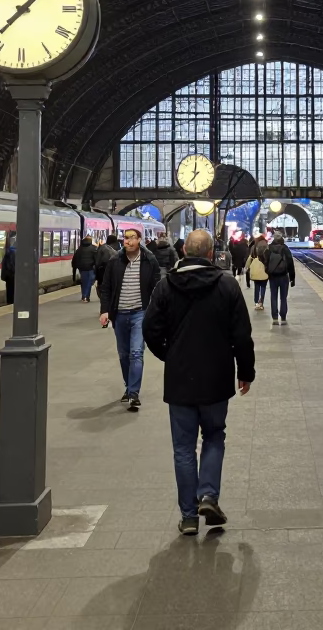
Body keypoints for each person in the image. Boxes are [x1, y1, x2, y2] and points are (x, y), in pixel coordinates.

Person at [143, 229, 255, 536]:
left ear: (183, 253)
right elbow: (242, 335)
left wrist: (170, 355)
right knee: (214, 435)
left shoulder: (166, 286)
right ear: (210, 254)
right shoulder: (227, 285)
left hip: (179, 379)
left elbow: (150, 329)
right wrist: (246, 371)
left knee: (183, 447)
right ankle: (209, 495)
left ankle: (189, 516)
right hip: (217, 376)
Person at [98, 228, 161, 411]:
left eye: (132, 238)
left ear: (139, 240)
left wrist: (156, 312)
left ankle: (133, 393)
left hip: (140, 313)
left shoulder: (149, 261)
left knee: (136, 353)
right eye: (125, 238)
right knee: (124, 354)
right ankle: (129, 386)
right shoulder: (114, 261)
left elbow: (157, 288)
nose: (128, 241)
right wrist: (105, 311)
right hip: (120, 314)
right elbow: (106, 287)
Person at [264, 232, 296, 325]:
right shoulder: (285, 248)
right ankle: (283, 317)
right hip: (283, 276)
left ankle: (274, 318)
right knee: (283, 297)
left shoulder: (269, 248)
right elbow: (290, 263)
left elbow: (265, 261)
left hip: (273, 276)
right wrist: (292, 277)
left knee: (273, 296)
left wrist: (268, 271)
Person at [72, 235, 98, 303]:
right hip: (90, 268)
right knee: (89, 282)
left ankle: (84, 296)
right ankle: (86, 297)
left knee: (84, 282)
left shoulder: (79, 249)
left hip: (82, 268)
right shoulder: (94, 248)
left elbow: (75, 259)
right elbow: (97, 259)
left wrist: (75, 267)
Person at [247, 235, 269, 311]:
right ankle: (261, 302)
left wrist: (247, 267)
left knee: (256, 287)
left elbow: (250, 257)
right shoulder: (266, 246)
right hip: (264, 269)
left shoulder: (254, 247)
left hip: (255, 269)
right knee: (263, 286)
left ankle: (256, 302)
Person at [1, 233, 16, 306]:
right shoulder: (16, 253)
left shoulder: (8, 253)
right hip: (14, 276)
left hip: (9, 277)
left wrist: (4, 277)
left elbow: (4, 265)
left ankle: (10, 303)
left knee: (10, 292)